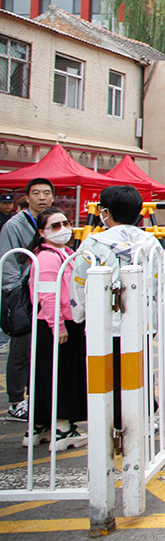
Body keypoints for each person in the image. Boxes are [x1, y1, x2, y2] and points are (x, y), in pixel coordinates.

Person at [71, 184, 161, 431]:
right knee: (138, 369)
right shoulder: (150, 243)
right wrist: (154, 320)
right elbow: (158, 285)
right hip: (141, 320)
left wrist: (80, 314)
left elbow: (78, 281)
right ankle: (140, 418)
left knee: (107, 372)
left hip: (105, 322)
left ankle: (108, 421)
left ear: (106, 212)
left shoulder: (93, 243)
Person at [23, 207, 87, 452]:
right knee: (60, 375)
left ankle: (39, 426)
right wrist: (58, 325)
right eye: (55, 226)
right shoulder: (48, 257)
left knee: (47, 373)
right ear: (41, 232)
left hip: (61, 322)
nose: (63, 229)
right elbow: (47, 296)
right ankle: (62, 427)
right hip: (55, 324)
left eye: (65, 223)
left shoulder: (64, 252)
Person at [2, 178, 56, 423]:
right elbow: (8, 261)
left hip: (45, 291)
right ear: (27, 197)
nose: (42, 197)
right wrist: (17, 293)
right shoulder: (14, 225)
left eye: (46, 192)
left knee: (42, 347)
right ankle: (15, 401)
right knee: (21, 347)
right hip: (22, 294)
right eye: (36, 193)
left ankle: (37, 398)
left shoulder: (52, 221)